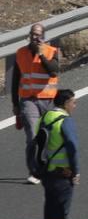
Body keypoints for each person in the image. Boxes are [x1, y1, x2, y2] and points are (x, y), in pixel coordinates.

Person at [12, 23, 61, 184]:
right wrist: (15, 104)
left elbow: (53, 70)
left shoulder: (52, 51)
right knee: (32, 137)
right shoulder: (20, 53)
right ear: (29, 35)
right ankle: (34, 172)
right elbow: (15, 80)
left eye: (38, 34)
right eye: (33, 34)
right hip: (28, 101)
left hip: (48, 101)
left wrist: (41, 55)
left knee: (47, 137)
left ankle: (46, 165)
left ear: (43, 37)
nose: (35, 37)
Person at [37, 89, 79, 219]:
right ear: (66, 103)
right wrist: (75, 171)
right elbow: (72, 148)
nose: (75, 105)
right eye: (73, 102)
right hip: (62, 174)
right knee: (61, 214)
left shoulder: (44, 117)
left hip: (46, 172)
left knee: (49, 211)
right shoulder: (65, 121)